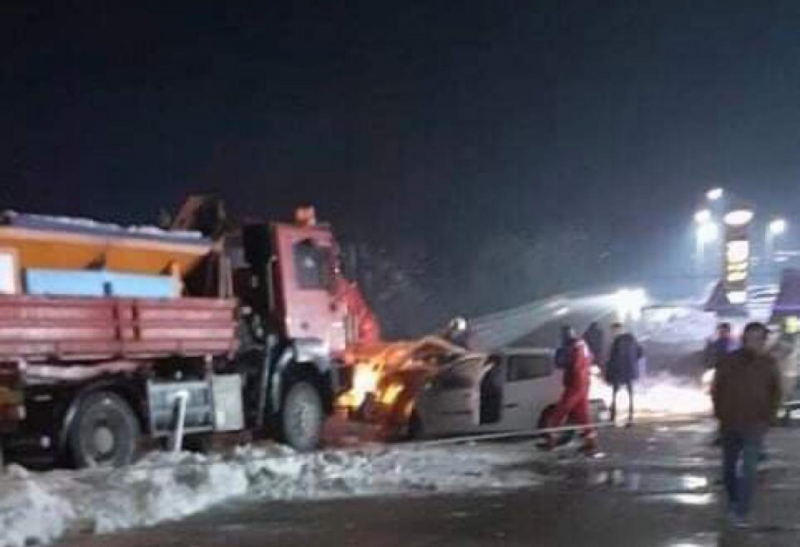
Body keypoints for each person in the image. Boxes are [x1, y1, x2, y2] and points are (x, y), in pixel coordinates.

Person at [712, 322, 782, 528]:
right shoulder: (728, 361)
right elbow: (717, 389)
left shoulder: (769, 364)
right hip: (730, 422)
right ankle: (735, 502)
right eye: (752, 338)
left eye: (760, 339)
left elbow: (776, 392)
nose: (756, 343)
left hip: (755, 424)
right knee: (728, 469)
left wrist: (770, 417)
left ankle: (741, 512)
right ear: (744, 339)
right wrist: (720, 414)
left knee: (749, 469)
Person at [547, 325, 597, 454]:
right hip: (584, 382)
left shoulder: (572, 347)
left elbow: (570, 364)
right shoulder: (583, 345)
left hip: (574, 383)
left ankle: (551, 441)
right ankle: (590, 442)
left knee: (559, 412)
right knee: (583, 414)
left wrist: (560, 358)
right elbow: (591, 358)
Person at [605, 323, 643, 426]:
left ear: (617, 330)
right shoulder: (633, 339)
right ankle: (630, 417)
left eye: (612, 331)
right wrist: (633, 362)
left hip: (618, 371)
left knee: (615, 394)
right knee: (630, 395)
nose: (611, 333)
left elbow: (613, 359)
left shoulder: (617, 341)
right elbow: (640, 352)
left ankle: (613, 417)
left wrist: (608, 375)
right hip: (630, 371)